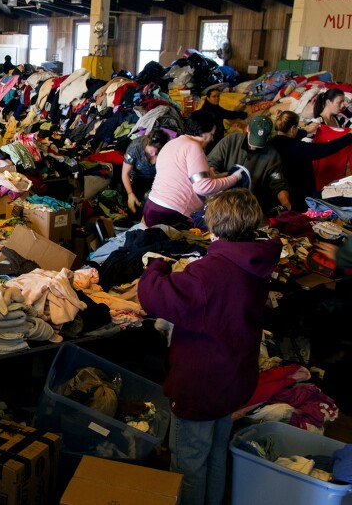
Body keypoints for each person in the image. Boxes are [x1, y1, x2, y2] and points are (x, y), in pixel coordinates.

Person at [138, 188, 282, 505]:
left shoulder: (209, 273)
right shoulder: (255, 261)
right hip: (233, 379)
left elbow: (154, 298)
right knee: (215, 455)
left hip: (202, 385)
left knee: (188, 465)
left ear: (213, 226)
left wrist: (155, 268)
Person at [142, 110, 242, 227]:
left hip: (152, 207)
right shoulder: (193, 146)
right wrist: (235, 178)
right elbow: (203, 187)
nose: (212, 139)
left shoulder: (172, 143)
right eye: (211, 134)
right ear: (202, 133)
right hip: (171, 213)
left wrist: (220, 176)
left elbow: (182, 175)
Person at [207, 115, 292, 212]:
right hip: (220, 197)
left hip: (248, 205)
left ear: (268, 137)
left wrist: (286, 204)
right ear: (247, 128)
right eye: (254, 139)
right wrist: (217, 179)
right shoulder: (231, 141)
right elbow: (211, 163)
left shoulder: (273, 156)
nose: (254, 147)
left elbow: (278, 182)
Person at [271, 110, 352, 211]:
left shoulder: (271, 143)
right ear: (293, 128)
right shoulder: (299, 148)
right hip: (300, 197)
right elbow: (327, 148)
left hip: (278, 194)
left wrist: (306, 131)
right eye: (297, 128)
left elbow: (289, 137)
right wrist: (349, 136)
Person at [122, 129, 169, 214]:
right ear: (146, 144)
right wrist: (130, 193)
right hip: (138, 178)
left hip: (158, 179)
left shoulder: (167, 149)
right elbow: (125, 173)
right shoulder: (135, 148)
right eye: (151, 152)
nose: (154, 155)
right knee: (135, 209)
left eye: (157, 153)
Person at [199, 88, 247, 153]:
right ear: (208, 98)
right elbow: (227, 114)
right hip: (212, 140)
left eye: (218, 96)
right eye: (214, 96)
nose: (217, 98)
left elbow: (225, 113)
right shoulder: (209, 110)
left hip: (214, 138)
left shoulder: (214, 107)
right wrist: (242, 114)